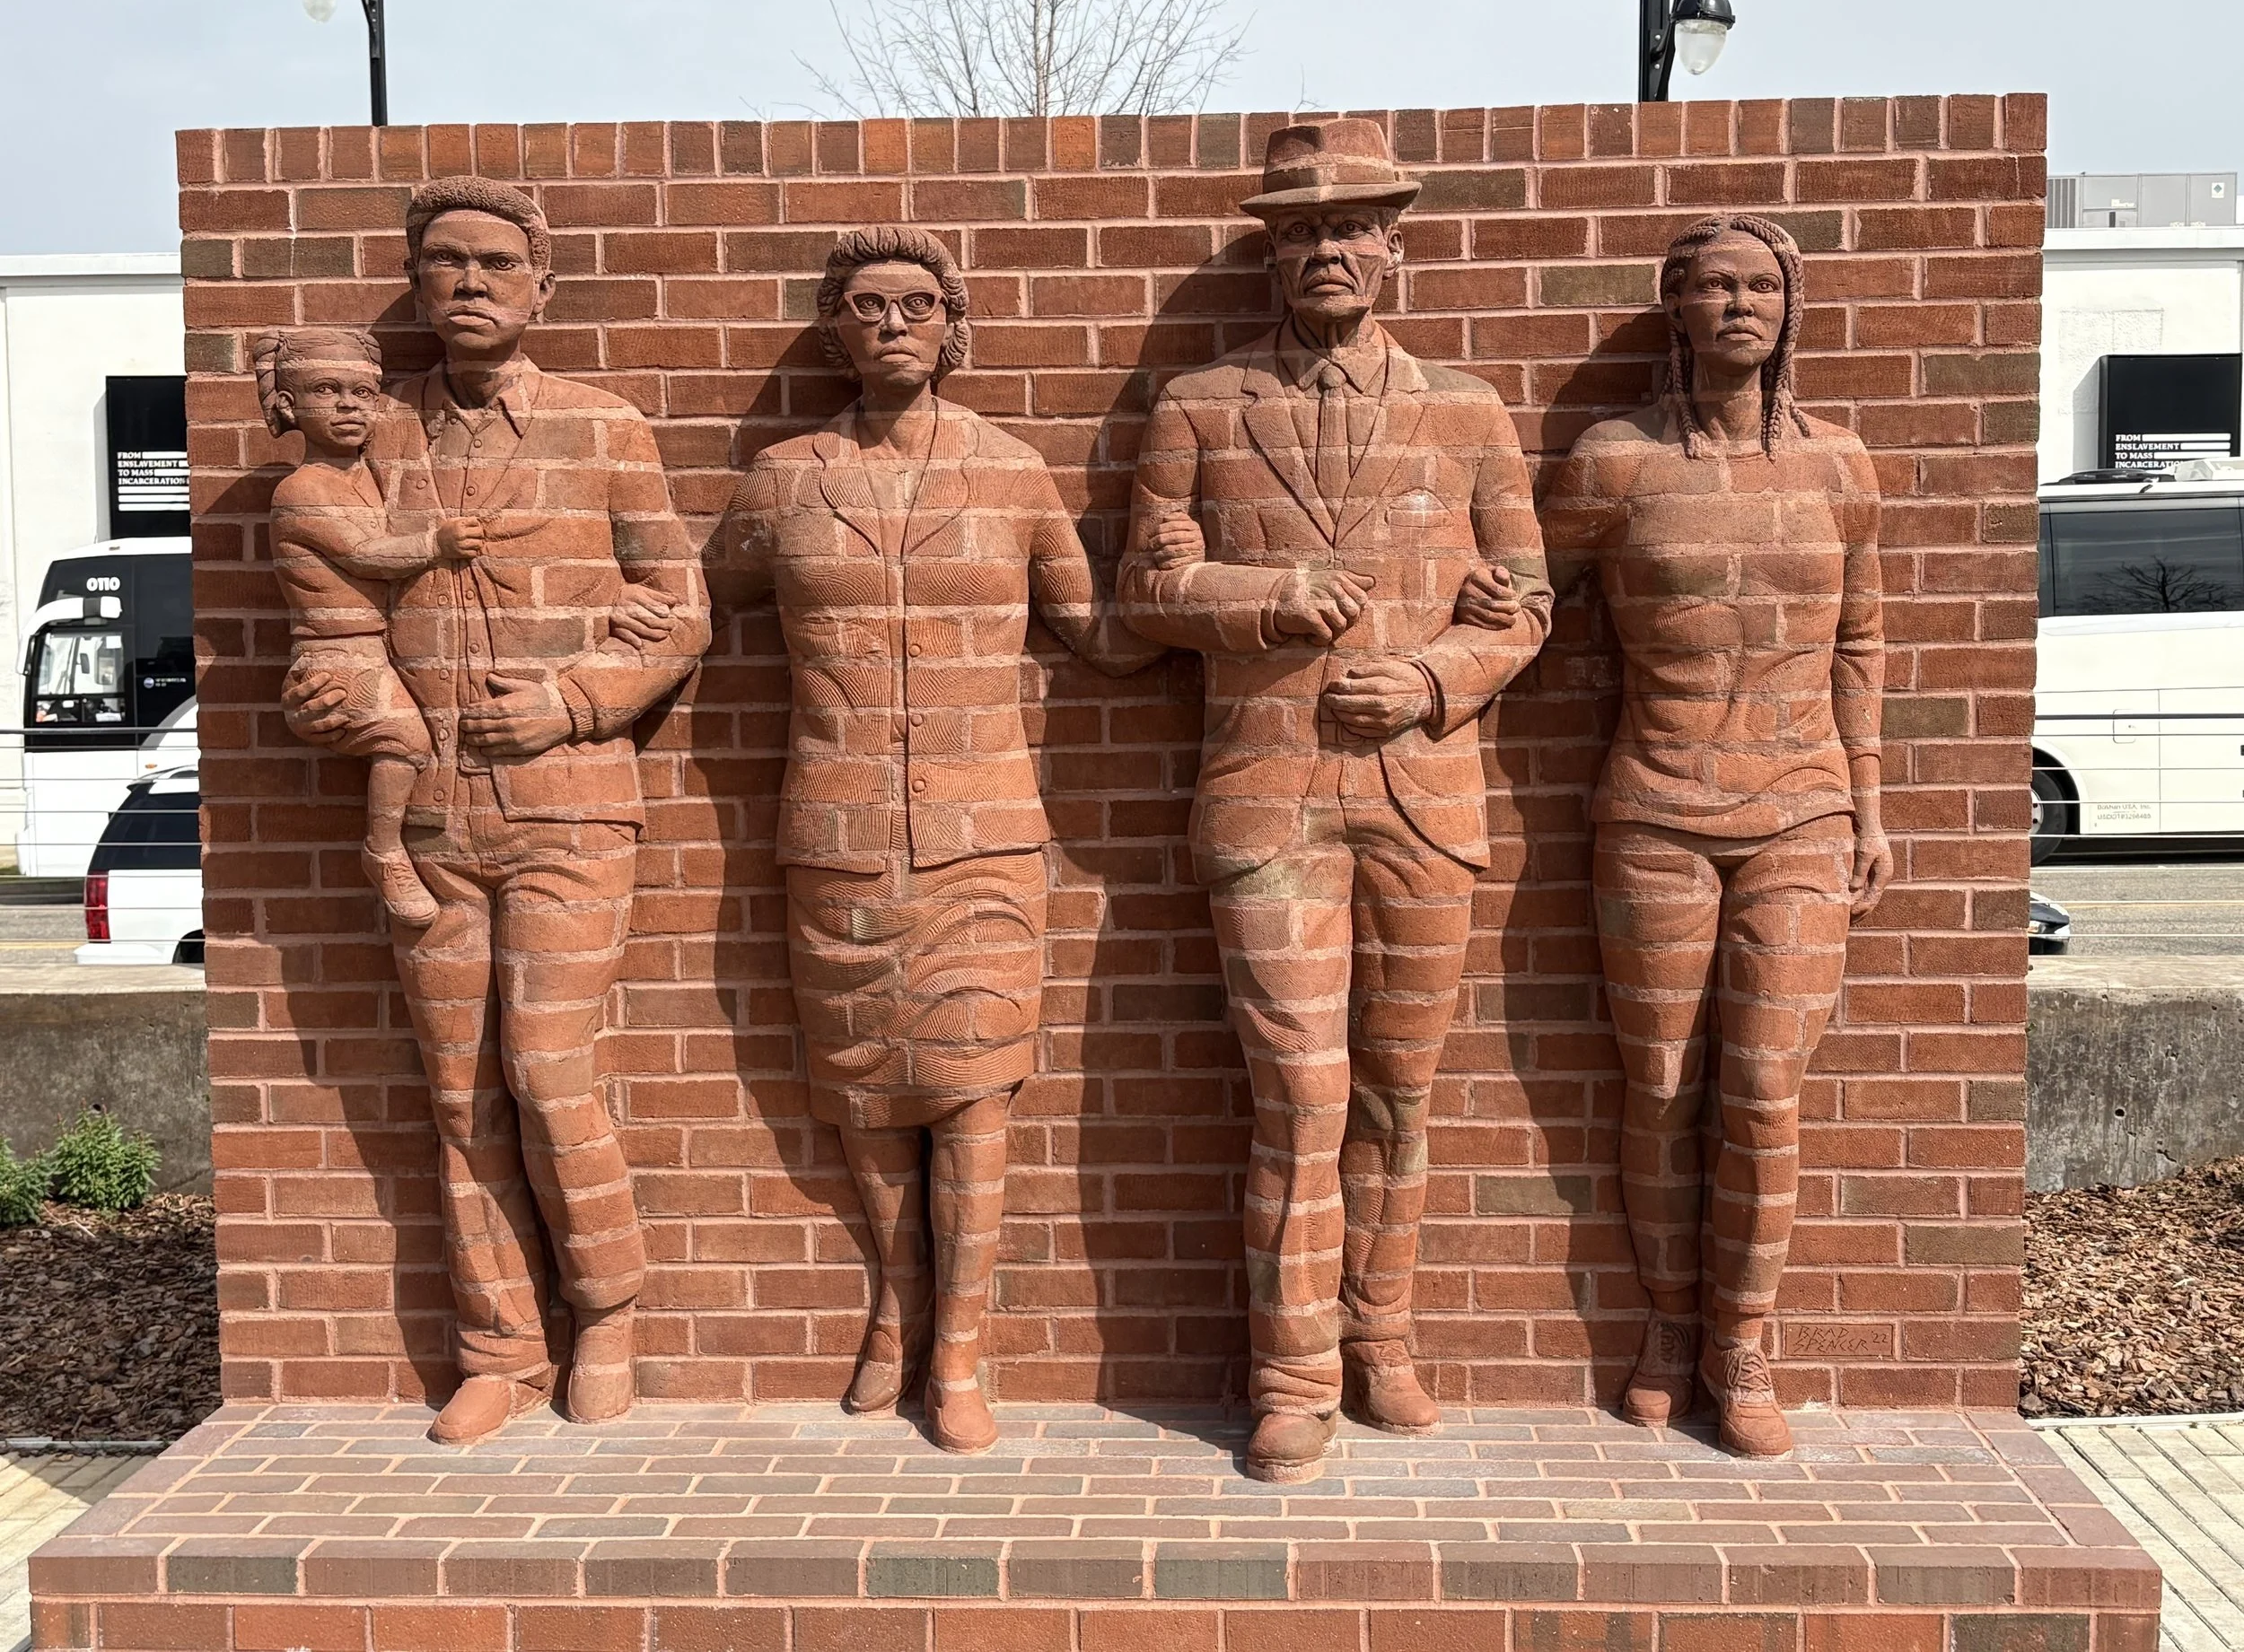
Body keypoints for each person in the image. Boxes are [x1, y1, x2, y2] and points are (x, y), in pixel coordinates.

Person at [1118, 120, 1554, 1484]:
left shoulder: (1466, 412)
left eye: (1349, 228)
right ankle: (1292, 1372)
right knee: (1298, 1097)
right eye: (1300, 230)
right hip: (1268, 795)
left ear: (1392, 249)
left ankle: (1383, 1336)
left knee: (1401, 1092)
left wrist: (1431, 678)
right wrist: (1263, 599)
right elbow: (1146, 587)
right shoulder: (1200, 404)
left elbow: (1529, 600)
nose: (1325, 250)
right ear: (1273, 253)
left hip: (1423, 794)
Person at [717, 225, 1165, 1455]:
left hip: (984, 839)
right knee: (865, 1093)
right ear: (834, 328)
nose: (892, 324)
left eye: (917, 304)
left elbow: (1101, 631)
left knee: (973, 1092)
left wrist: (1220, 589)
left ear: (953, 327)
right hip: (839, 829)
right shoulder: (782, 481)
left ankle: (959, 1349)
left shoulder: (1011, 474)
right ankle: (894, 1308)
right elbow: (683, 609)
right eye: (866, 305)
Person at [282, 177, 711, 1445]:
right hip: (427, 814)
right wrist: (336, 694)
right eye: (445, 262)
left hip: (571, 810)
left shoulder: (603, 427)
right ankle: (500, 1347)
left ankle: (609, 1313)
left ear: (541, 286)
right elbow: (326, 604)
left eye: (497, 263)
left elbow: (682, 607)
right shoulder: (368, 437)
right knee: (459, 1089)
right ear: (417, 285)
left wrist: (575, 700)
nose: (470, 282)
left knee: (548, 1067)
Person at [1459, 213, 1888, 1459]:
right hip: (1652, 810)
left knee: (1762, 1089)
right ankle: (1663, 1322)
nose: (1738, 303)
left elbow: (1862, 642)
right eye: (1712, 285)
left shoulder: (1839, 467)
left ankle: (1741, 1342)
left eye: (1761, 285)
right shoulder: (1617, 462)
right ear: (1677, 307)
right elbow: (1532, 593)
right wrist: (1485, 599)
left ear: (1789, 309)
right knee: (1656, 1084)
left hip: (1802, 808)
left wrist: (1869, 802)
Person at [253, 326, 453, 929]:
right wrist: (438, 544)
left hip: (374, 649)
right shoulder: (301, 490)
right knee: (406, 740)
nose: (349, 406)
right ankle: (384, 849)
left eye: (363, 393)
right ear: (289, 405)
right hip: (335, 655)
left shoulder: (365, 474)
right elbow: (368, 554)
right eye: (327, 390)